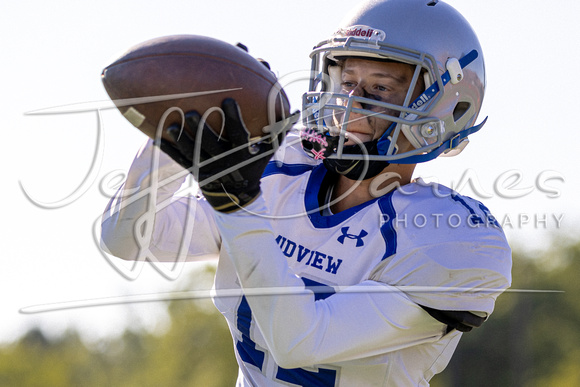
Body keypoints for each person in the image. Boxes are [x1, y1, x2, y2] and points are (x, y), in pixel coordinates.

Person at [100, 0, 512, 385]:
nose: (349, 102)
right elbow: (127, 237)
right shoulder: (283, 169)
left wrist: (238, 203)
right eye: (347, 81)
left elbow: (298, 340)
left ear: (443, 105)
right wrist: (183, 128)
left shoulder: (452, 238)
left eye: (380, 88)